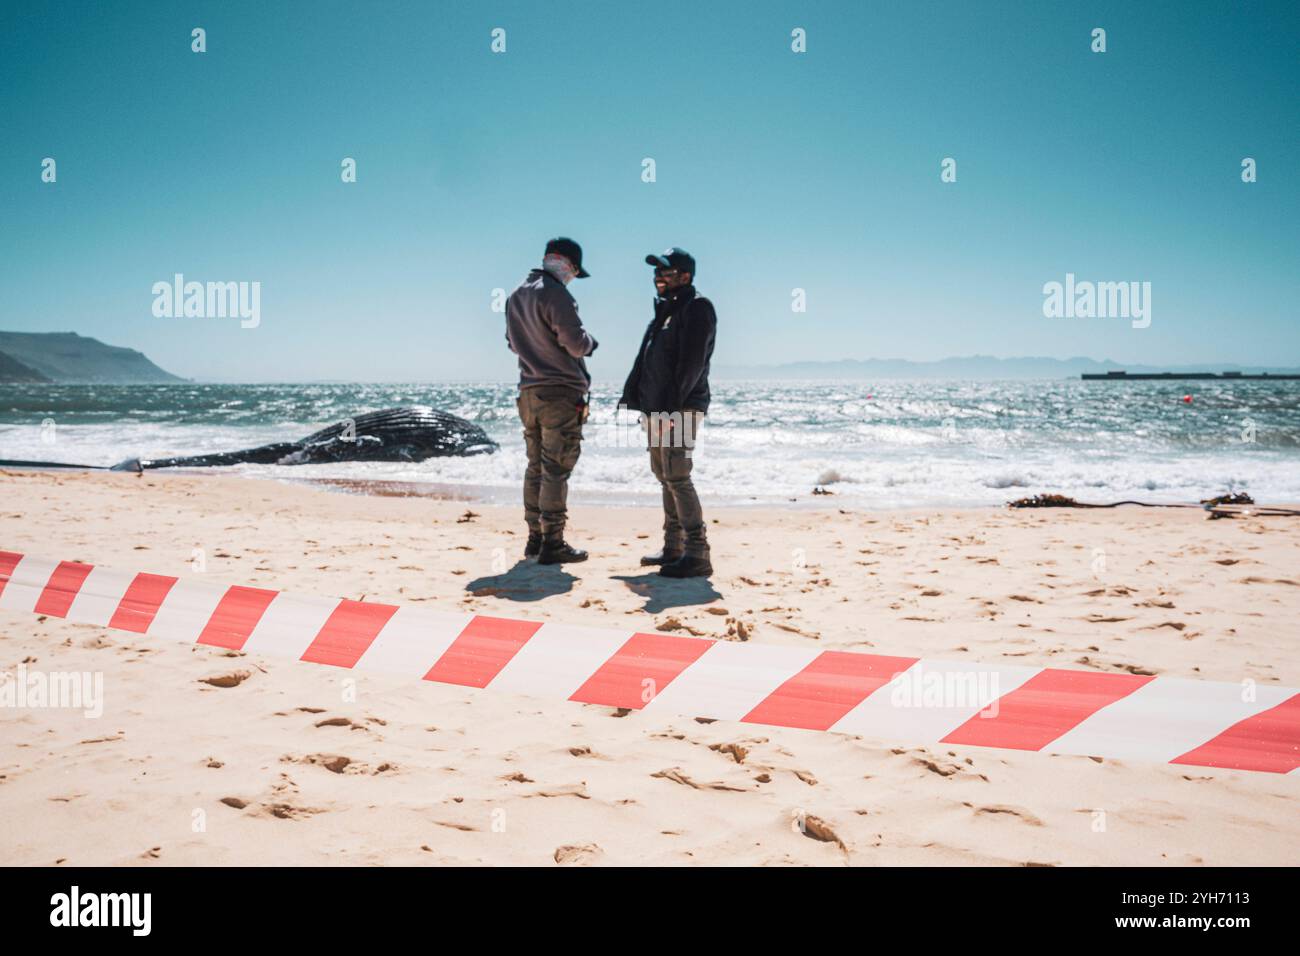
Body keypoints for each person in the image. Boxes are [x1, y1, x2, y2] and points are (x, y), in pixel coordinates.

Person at [618, 247, 717, 578]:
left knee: (677, 474)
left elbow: (692, 364)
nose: (658, 277)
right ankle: (673, 548)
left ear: (685, 276)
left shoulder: (697, 307)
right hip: (657, 409)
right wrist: (637, 400)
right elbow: (647, 361)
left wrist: (672, 411)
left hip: (681, 407)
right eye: (657, 272)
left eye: (666, 271)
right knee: (664, 475)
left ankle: (697, 553)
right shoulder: (663, 312)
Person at [505, 237, 598, 564]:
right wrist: (590, 343)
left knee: (536, 467)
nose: (573, 275)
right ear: (565, 263)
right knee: (556, 469)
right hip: (559, 392)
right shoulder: (556, 293)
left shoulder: (516, 294)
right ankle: (553, 542)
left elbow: (512, 344)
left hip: (528, 391)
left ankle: (535, 538)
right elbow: (574, 343)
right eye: (574, 269)